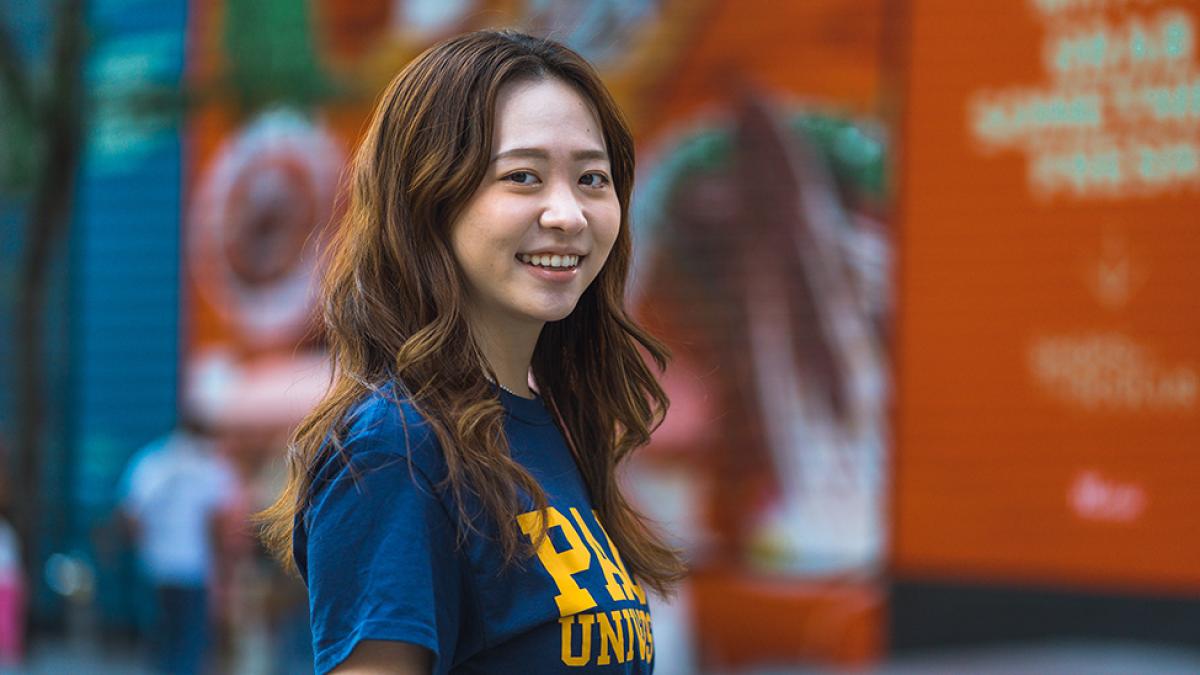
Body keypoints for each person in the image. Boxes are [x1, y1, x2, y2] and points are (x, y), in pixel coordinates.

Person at [256, 30, 685, 674]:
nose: (568, 213)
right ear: (429, 201)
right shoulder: (394, 449)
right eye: (523, 177)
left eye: (592, 178)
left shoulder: (546, 423)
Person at [118, 417, 237, 675]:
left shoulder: (150, 462)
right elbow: (217, 523)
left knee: (160, 641)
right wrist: (223, 568)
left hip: (154, 566)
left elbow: (131, 517)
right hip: (193, 567)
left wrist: (148, 546)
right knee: (189, 644)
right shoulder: (208, 465)